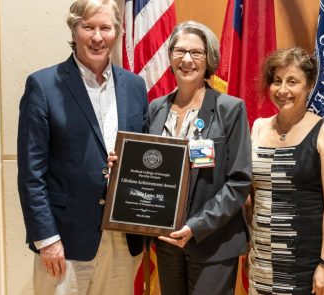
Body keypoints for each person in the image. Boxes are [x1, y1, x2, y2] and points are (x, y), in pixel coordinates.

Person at [109, 21, 252, 294]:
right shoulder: (156, 108)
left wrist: (195, 227)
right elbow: (145, 167)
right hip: (166, 242)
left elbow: (239, 181)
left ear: (208, 58)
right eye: (180, 51)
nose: (187, 60)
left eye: (196, 53)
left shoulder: (230, 109)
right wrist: (121, 167)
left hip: (213, 242)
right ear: (170, 56)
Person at [16, 0, 148, 294]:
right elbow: (31, 173)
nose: (98, 37)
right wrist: (47, 240)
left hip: (123, 237)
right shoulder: (43, 85)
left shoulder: (135, 86)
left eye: (106, 27)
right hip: (66, 240)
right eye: (88, 27)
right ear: (74, 30)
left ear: (118, 32)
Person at [247, 47, 324, 295]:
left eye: (292, 81)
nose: (282, 90)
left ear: (309, 84)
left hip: (307, 265)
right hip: (262, 262)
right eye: (277, 81)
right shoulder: (257, 128)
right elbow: (249, 194)